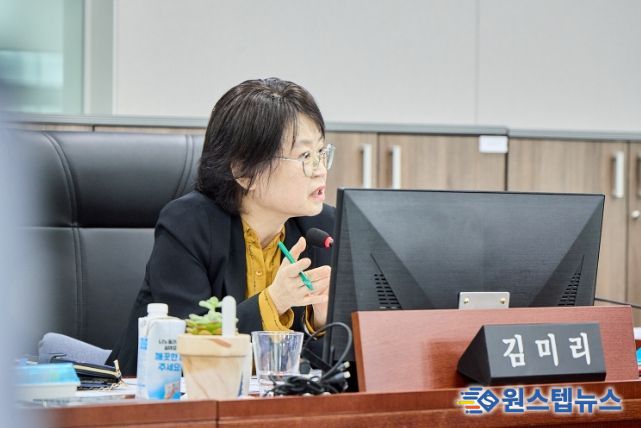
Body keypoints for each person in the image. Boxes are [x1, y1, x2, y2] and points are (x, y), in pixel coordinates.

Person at [108, 78, 336, 375]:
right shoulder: (188, 225)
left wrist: (321, 322)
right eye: (305, 156)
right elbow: (190, 348)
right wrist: (274, 301)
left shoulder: (321, 229)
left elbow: (330, 372)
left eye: (321, 153)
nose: (320, 169)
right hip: (147, 392)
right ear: (244, 172)